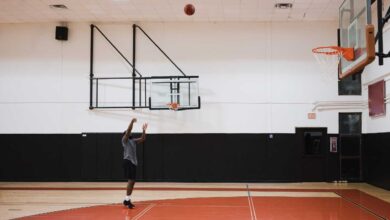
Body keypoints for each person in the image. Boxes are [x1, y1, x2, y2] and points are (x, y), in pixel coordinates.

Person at [122, 118, 148, 209]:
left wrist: (144, 130)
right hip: (128, 161)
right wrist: (132, 122)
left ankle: (127, 199)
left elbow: (143, 138)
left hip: (133, 163)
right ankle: (126, 200)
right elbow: (129, 130)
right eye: (128, 133)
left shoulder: (133, 141)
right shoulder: (125, 140)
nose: (130, 133)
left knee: (132, 182)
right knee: (131, 180)